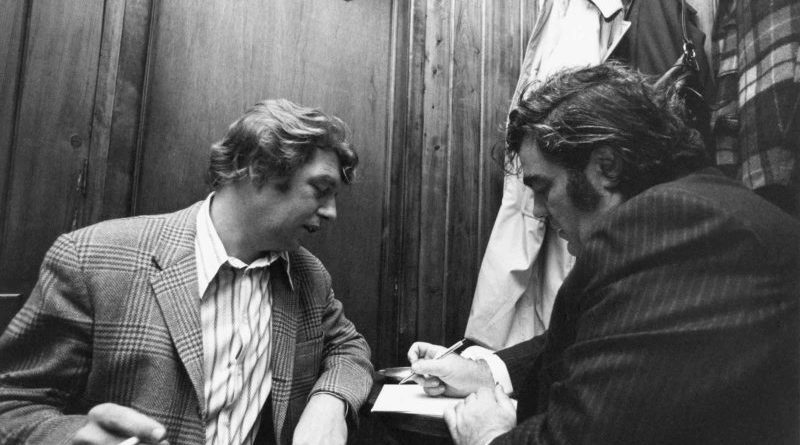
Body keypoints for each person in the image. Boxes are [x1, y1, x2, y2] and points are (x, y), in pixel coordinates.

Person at [408, 63, 800, 445]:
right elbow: (607, 340)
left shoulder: (672, 225)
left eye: (543, 188)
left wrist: (488, 436)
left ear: (605, 167)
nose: (539, 211)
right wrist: (485, 371)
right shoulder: (690, 213)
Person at [0, 99, 373, 445]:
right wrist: (75, 437)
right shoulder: (90, 259)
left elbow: (348, 347)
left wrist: (331, 400)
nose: (331, 212)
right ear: (258, 169)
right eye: (321, 189)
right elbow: (12, 405)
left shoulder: (308, 275)